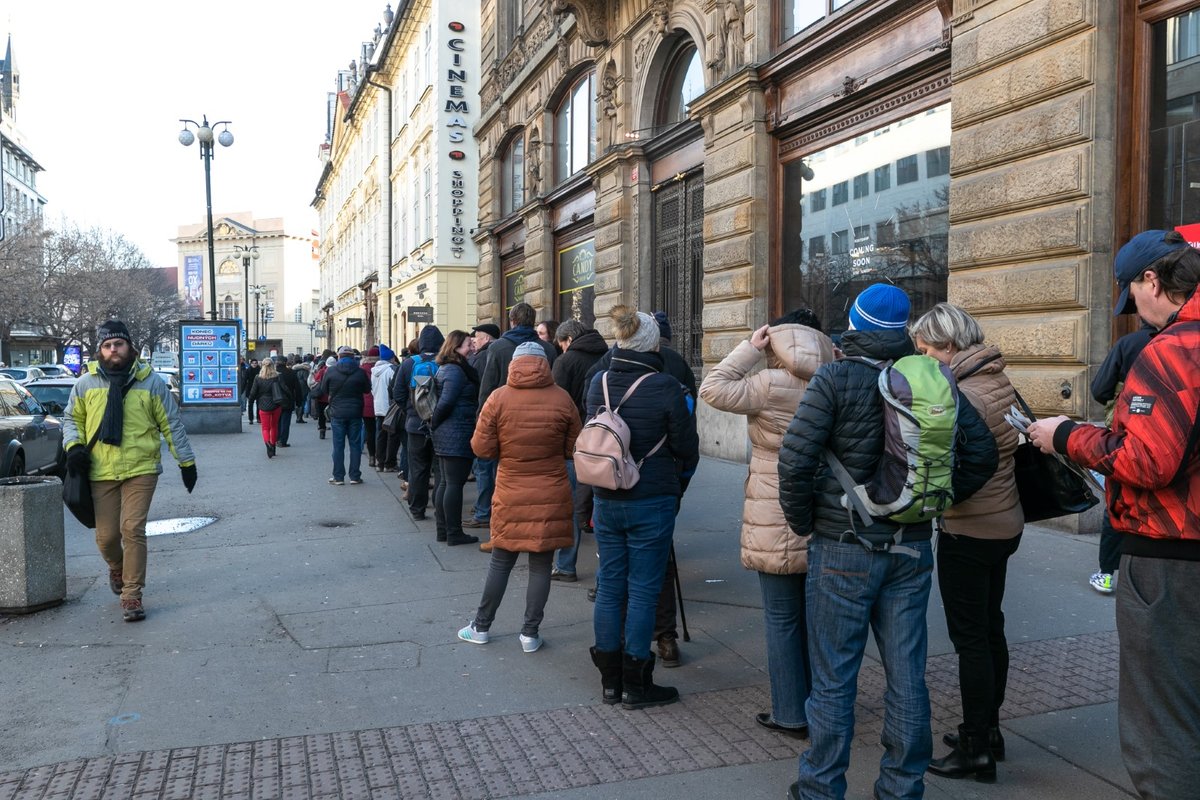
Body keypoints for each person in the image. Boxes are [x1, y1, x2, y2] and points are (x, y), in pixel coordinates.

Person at [776, 284, 998, 800]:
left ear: (854, 324)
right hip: (911, 547)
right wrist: (935, 503)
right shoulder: (931, 378)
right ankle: (901, 788)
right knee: (907, 676)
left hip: (842, 546)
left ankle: (820, 788)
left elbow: (795, 460)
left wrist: (807, 521)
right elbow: (981, 455)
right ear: (902, 333)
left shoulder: (834, 378)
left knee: (833, 678)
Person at [1027, 229, 1200, 800]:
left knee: (1164, 726)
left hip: (1171, 558)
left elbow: (1148, 461)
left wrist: (1067, 436)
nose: (1137, 313)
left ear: (1153, 281)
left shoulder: (1174, 349)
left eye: (1133, 295)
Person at [698, 308, 835, 739]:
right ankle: (823, 707)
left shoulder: (769, 383)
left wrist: (748, 350)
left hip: (773, 509)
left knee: (781, 616)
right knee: (818, 616)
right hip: (825, 506)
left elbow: (713, 388)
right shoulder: (835, 377)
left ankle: (790, 713)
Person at [909, 303, 1022, 783]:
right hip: (1006, 522)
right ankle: (989, 729)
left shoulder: (961, 394)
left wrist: (936, 498)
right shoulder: (996, 377)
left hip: (970, 529)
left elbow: (956, 464)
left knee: (971, 640)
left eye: (928, 349)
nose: (924, 358)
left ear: (950, 347)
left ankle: (977, 747)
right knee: (990, 628)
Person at [585, 306, 699, 710]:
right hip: (651, 498)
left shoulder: (598, 382)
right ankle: (637, 681)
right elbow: (687, 449)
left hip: (607, 496)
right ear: (653, 345)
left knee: (611, 584)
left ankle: (610, 682)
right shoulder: (666, 386)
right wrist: (677, 485)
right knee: (645, 588)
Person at [62, 320, 197, 622]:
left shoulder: (151, 382)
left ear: (130, 346)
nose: (113, 350)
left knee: (132, 530)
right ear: (100, 350)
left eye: (118, 344)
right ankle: (117, 567)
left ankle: (132, 595)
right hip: (101, 470)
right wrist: (73, 447)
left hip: (141, 468)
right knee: (107, 538)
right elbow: (72, 421)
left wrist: (186, 463)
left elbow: (171, 424)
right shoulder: (86, 383)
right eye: (107, 345)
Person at [460, 341, 581, 652]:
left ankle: (481, 626)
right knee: (541, 564)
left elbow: (482, 449)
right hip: (551, 489)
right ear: (545, 365)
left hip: (511, 489)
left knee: (501, 560)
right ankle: (530, 633)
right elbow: (573, 448)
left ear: (514, 364)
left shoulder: (498, 398)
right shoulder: (562, 398)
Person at [1087, 321, 1154, 594]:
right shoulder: (1187, 342)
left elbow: (1100, 388)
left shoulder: (1129, 343)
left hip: (1130, 430)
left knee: (1119, 498)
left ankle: (1106, 573)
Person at [549, 319, 609, 581]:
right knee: (602, 502)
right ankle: (605, 572)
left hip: (575, 440)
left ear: (569, 339)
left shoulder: (565, 361)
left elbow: (557, 404)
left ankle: (565, 565)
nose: (561, 349)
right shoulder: (607, 355)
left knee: (570, 504)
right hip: (607, 439)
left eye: (561, 344)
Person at [430, 331, 481, 546]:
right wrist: (434, 423)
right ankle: (453, 532)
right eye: (469, 344)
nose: (472, 347)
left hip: (448, 432)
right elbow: (446, 402)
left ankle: (444, 531)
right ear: (456, 347)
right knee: (453, 484)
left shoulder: (449, 368)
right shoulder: (455, 370)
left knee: (445, 482)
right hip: (455, 431)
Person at [393, 327, 445, 516]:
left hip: (415, 425)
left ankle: (417, 509)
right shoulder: (445, 361)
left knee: (417, 468)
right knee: (440, 469)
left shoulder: (408, 364)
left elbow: (397, 393)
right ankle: (440, 508)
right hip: (440, 424)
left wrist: (411, 411)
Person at [319, 345, 371, 485]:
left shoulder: (331, 371)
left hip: (337, 412)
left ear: (339, 357)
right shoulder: (360, 372)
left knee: (338, 445)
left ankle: (338, 477)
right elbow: (367, 389)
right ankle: (354, 476)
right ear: (353, 357)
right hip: (355, 412)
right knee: (355, 445)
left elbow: (323, 389)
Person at [465, 323, 500, 531]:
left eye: (476, 338)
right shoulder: (490, 354)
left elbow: (481, 390)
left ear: (486, 339)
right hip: (494, 418)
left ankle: (483, 510)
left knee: (484, 467)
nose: (474, 341)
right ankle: (485, 507)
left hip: (485, 419)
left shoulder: (481, 359)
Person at [246, 358, 284, 458]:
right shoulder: (277, 376)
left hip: (263, 405)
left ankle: (267, 444)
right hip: (276, 404)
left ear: (262, 366)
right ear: (273, 365)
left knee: (265, 428)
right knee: (274, 426)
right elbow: (284, 389)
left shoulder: (258, 377)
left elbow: (253, 392)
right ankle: (273, 445)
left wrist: (250, 401)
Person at [371, 344, 399, 471]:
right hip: (390, 407)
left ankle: (379, 462)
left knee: (380, 435)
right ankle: (390, 463)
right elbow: (395, 388)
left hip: (378, 406)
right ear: (391, 358)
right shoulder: (392, 370)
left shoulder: (374, 371)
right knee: (392, 436)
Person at [360, 346, 379, 467]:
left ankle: (372, 456)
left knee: (370, 431)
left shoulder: (362, 369)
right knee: (382, 432)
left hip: (366, 405)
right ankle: (381, 457)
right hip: (382, 404)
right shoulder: (383, 367)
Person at [276, 356, 301, 447]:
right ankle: (283, 441)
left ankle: (276, 438)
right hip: (288, 400)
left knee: (276, 421)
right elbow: (297, 388)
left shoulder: (272, 373)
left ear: (277, 362)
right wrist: (298, 402)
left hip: (275, 401)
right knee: (285, 422)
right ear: (286, 363)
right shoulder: (291, 373)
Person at [311, 355, 335, 440]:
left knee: (321, 415)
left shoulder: (322, 371)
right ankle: (336, 430)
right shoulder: (336, 372)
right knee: (334, 414)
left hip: (322, 397)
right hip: (333, 397)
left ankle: (322, 430)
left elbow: (316, 381)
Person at [292, 355, 311, 424]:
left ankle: (298, 417)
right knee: (302, 402)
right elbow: (306, 379)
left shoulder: (293, 369)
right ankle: (300, 417)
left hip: (295, 387)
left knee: (297, 402)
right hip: (303, 387)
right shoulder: (304, 370)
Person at [242, 358, 260, 424]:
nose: (254, 364)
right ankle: (251, 419)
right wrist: (242, 390)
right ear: (251, 364)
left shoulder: (260, 370)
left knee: (259, 405)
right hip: (250, 389)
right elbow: (244, 380)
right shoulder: (248, 370)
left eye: (255, 363)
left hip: (259, 389)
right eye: (253, 363)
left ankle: (258, 418)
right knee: (250, 404)